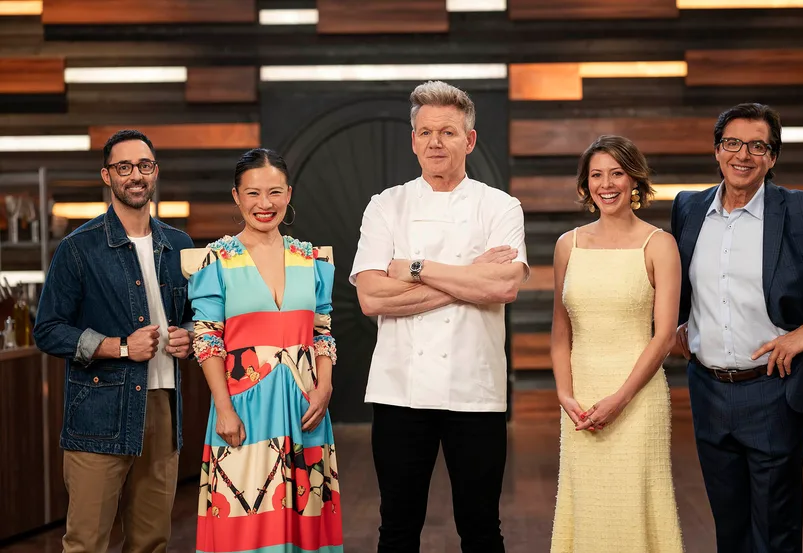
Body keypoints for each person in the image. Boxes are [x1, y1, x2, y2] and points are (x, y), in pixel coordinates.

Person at [671, 103, 803, 553]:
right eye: (732, 143)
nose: (743, 155)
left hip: (773, 389)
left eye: (757, 146)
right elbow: (683, 279)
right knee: (729, 529)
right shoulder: (688, 208)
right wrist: (678, 326)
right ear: (717, 150)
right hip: (708, 389)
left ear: (772, 158)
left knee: (774, 532)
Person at [350, 80, 528, 553]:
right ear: (413, 140)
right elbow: (371, 297)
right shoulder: (385, 205)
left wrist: (415, 269)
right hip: (398, 389)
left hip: (476, 389)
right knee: (398, 527)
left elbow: (504, 285)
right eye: (425, 132)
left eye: (448, 132)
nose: (435, 142)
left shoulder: (500, 205)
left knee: (481, 528)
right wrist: (470, 280)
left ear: (468, 140)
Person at [33, 130, 194, 553]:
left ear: (155, 172)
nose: (135, 176)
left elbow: (198, 320)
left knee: (151, 542)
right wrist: (120, 346)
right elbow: (48, 329)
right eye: (124, 167)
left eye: (144, 166)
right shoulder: (78, 248)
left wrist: (189, 338)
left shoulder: (179, 245)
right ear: (107, 175)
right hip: (100, 412)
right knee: (87, 542)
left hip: (163, 405)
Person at [185, 148, 342, 552]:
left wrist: (324, 386)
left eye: (274, 192)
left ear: (288, 194)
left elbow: (322, 330)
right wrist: (223, 408)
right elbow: (207, 339)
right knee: (245, 526)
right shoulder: (216, 260)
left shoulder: (310, 258)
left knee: (304, 525)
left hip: (307, 409)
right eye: (253, 194)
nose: (265, 204)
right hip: (243, 410)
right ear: (236, 197)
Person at [549, 135, 684, 553]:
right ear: (585, 185)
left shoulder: (659, 244)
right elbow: (560, 331)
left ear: (634, 180)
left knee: (636, 506)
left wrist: (620, 399)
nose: (607, 184)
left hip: (637, 398)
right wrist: (564, 394)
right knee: (586, 506)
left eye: (617, 173)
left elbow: (664, 337)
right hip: (581, 401)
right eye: (596, 175)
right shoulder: (567, 244)